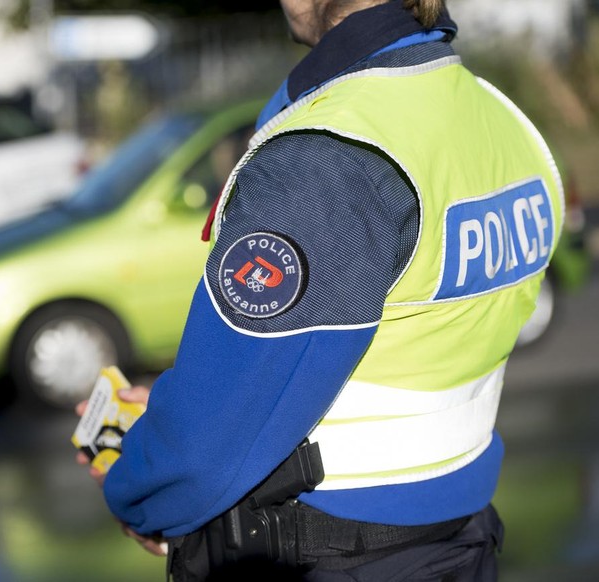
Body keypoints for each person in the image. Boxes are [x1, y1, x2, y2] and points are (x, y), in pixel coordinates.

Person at [76, 0, 564, 580]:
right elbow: (403, 344)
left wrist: (139, 481)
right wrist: (179, 402)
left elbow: (198, 461)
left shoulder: (329, 156)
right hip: (457, 540)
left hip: (323, 554)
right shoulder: (500, 120)